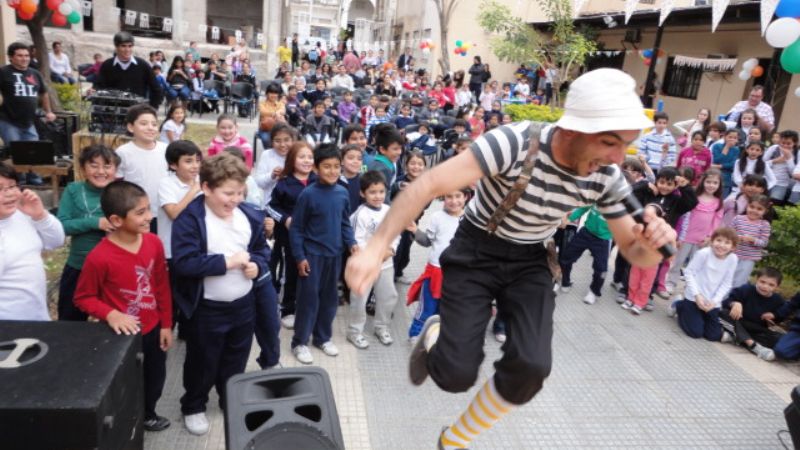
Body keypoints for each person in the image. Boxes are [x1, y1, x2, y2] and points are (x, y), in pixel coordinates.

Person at [344, 68, 675, 449]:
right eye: (609, 142)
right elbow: (428, 185)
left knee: (531, 368)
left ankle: (454, 441)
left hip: (531, 259)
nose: (617, 158)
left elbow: (634, 252)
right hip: (476, 248)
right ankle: (434, 333)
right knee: (454, 375)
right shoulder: (514, 142)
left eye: (626, 145)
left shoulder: (606, 176)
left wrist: (652, 244)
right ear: (572, 130)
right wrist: (375, 247)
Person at [170, 153, 269, 435]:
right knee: (202, 361)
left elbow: (261, 250)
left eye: (240, 192)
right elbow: (184, 262)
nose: (235, 199)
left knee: (236, 358)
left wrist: (257, 265)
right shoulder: (190, 219)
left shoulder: (248, 215)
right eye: (228, 193)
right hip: (207, 308)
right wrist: (226, 263)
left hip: (243, 304)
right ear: (206, 188)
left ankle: (231, 400)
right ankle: (193, 405)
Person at [73, 180, 172, 432]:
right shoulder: (99, 257)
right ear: (116, 220)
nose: (149, 216)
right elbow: (83, 297)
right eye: (140, 212)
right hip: (120, 336)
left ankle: (148, 414)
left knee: (155, 377)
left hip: (152, 329)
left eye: (148, 209)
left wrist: (166, 324)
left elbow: (161, 285)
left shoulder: (154, 243)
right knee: (124, 384)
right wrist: (111, 313)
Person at [290, 143, 358, 364]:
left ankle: (322, 338)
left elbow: (344, 222)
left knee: (330, 300)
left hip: (334, 256)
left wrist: (351, 243)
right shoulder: (308, 195)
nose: (332, 171)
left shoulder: (342, 193)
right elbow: (297, 228)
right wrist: (300, 257)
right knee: (308, 300)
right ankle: (300, 342)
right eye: (326, 166)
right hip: (312, 257)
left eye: (336, 166)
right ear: (316, 169)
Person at [56, 145, 121, 322]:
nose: (101, 171)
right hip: (79, 265)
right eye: (94, 165)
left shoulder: (121, 193)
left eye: (107, 166)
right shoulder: (73, 190)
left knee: (114, 322)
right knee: (70, 321)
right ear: (83, 168)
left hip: (113, 270)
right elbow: (62, 225)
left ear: (115, 169)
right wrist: (96, 222)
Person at [0, 162, 65, 321]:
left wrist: (40, 215)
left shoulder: (22, 214)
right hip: (8, 324)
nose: (9, 194)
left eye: (12, 186)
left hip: (37, 316)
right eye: (0, 189)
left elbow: (57, 240)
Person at [347, 171, 400, 349]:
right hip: (365, 267)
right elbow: (357, 241)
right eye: (372, 192)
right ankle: (355, 331)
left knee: (388, 297)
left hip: (386, 265)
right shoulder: (359, 215)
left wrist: (391, 249)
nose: (378, 196)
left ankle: (381, 327)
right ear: (362, 193)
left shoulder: (389, 210)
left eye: (381, 192)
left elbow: (396, 233)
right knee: (359, 299)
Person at [267, 141, 316, 330]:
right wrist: (286, 219)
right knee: (290, 273)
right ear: (292, 160)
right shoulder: (284, 183)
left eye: (310, 157)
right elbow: (271, 207)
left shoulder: (318, 181)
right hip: (288, 239)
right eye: (302, 157)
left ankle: (306, 308)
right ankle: (287, 309)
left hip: (313, 238)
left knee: (310, 272)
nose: (307, 160)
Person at [668, 227, 738, 342]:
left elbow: (727, 283)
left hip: (711, 302)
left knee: (713, 336)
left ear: (733, 247)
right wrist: (697, 295)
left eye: (727, 242)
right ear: (712, 241)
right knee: (695, 332)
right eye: (718, 240)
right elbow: (689, 273)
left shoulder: (733, 259)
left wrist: (714, 301)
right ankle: (679, 305)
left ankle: (696, 316)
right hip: (694, 297)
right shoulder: (703, 253)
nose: (721, 245)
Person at [664, 168, 724, 294]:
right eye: (708, 182)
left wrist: (710, 237)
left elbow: (716, 222)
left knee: (696, 264)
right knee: (678, 261)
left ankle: (690, 287)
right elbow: (684, 216)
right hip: (686, 236)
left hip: (702, 239)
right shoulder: (694, 197)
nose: (711, 185)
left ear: (719, 185)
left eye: (715, 183)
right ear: (703, 182)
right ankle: (670, 282)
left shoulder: (718, 203)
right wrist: (680, 235)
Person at [115, 104, 168, 234]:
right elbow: (118, 183)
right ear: (131, 127)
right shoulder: (123, 152)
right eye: (144, 124)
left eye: (154, 124)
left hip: (163, 210)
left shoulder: (166, 149)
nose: (150, 128)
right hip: (136, 213)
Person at [719, 267, 785, 361]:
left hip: (756, 329)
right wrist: (734, 303)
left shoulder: (778, 300)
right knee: (722, 313)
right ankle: (753, 346)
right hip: (738, 322)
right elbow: (725, 303)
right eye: (762, 282)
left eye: (771, 285)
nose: (765, 286)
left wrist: (773, 318)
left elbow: (779, 317)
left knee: (781, 339)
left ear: (777, 287)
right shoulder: (746, 289)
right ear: (757, 280)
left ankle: (736, 338)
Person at [0, 42, 56, 144]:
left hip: (29, 123)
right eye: (20, 56)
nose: (24, 59)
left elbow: (43, 93)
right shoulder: (3, 72)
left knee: (32, 151)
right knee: (16, 151)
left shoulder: (35, 73)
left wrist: (48, 111)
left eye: (26, 56)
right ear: (11, 57)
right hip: (8, 122)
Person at [558, 205, 612, 305]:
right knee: (565, 257)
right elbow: (582, 209)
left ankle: (594, 291)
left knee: (602, 270)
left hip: (603, 239)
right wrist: (569, 219)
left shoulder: (620, 205)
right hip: (586, 232)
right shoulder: (597, 197)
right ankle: (565, 281)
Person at [94, 32, 162, 108]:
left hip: (137, 111)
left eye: (130, 46)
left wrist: (152, 109)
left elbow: (156, 89)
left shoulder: (143, 65)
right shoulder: (107, 65)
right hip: (112, 110)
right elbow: (98, 86)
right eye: (123, 46)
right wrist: (94, 90)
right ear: (116, 47)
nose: (127, 50)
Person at [730, 194, 771, 288]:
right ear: (747, 206)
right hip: (732, 254)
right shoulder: (738, 219)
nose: (754, 210)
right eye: (752, 207)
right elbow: (728, 234)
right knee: (727, 277)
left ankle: (734, 296)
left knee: (739, 281)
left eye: (759, 209)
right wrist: (736, 237)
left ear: (765, 211)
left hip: (749, 259)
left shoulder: (765, 225)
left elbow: (764, 243)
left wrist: (753, 240)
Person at [254, 123, 296, 209]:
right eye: (277, 141)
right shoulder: (267, 155)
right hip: (270, 204)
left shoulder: (297, 155)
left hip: (293, 205)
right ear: (272, 142)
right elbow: (258, 182)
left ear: (293, 140)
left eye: (286, 140)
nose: (282, 145)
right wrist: (272, 175)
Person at [366, 124, 403, 191]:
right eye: (395, 149)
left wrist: (397, 186)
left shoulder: (379, 162)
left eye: (400, 148)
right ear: (382, 149)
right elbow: (383, 194)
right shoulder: (384, 169)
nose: (399, 152)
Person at [764, 130, 797, 205]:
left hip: (781, 184)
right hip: (767, 180)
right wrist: (775, 161)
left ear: (794, 143)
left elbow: (793, 173)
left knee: (774, 203)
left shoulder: (796, 153)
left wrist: (789, 158)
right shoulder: (774, 148)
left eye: (788, 143)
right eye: (783, 143)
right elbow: (762, 164)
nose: (785, 146)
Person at [711, 129, 741, 197]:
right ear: (724, 137)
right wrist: (726, 147)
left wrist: (719, 166)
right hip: (715, 175)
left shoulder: (736, 150)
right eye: (730, 137)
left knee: (723, 198)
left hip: (727, 178)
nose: (732, 139)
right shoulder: (717, 146)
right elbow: (716, 160)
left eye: (735, 138)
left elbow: (732, 165)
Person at [257, 83, 287, 149]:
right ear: (267, 94)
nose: (273, 95)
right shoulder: (262, 103)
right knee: (266, 139)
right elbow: (263, 112)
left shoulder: (280, 104)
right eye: (271, 93)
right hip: (265, 129)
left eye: (275, 93)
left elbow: (283, 111)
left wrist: (278, 112)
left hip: (278, 128)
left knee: (288, 138)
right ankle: (269, 153)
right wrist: (275, 114)